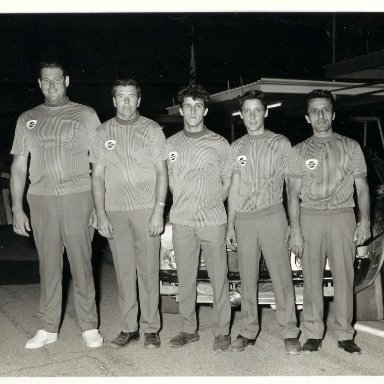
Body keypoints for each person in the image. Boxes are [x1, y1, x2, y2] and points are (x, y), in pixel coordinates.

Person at [10, 60, 103, 349]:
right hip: (40, 199)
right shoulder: (28, 118)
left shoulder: (85, 114)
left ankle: (89, 326)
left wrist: (100, 208)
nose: (51, 85)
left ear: (67, 81)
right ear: (39, 83)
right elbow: (18, 166)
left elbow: (101, 161)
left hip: (78, 195)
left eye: (56, 79)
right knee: (49, 265)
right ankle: (48, 327)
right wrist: (16, 207)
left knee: (81, 262)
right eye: (45, 80)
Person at [90, 79, 168, 349]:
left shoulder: (152, 129)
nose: (126, 102)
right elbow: (97, 175)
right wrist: (100, 213)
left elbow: (162, 172)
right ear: (113, 101)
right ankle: (129, 327)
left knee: (148, 270)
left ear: (139, 100)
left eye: (131, 97)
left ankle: (150, 329)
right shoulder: (102, 132)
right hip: (115, 209)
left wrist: (159, 210)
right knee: (124, 272)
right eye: (120, 97)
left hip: (146, 208)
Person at [292, 89, 371, 354]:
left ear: (333, 114)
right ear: (307, 117)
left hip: (342, 216)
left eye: (325, 109)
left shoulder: (351, 146)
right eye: (314, 110)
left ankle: (344, 333)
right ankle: (313, 333)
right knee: (311, 278)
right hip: (310, 216)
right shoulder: (298, 151)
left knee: (344, 278)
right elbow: (292, 194)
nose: (320, 115)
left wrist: (364, 222)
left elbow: (362, 188)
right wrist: (295, 229)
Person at [226, 90, 303, 354]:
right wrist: (230, 226)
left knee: (282, 275)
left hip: (273, 215)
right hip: (244, 221)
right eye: (246, 111)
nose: (251, 116)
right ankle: (248, 330)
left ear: (266, 112)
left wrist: (294, 224)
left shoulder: (282, 143)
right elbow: (234, 189)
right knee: (247, 277)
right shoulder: (236, 147)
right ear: (241, 114)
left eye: (256, 110)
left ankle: (290, 331)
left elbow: (293, 185)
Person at [167, 84, 232, 351]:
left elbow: (228, 179)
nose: (192, 111)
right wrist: (184, 199)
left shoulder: (219, 143)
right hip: (182, 220)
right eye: (187, 106)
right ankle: (188, 329)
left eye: (197, 106)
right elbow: (169, 179)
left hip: (213, 220)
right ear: (181, 110)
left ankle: (222, 331)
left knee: (219, 277)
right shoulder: (170, 144)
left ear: (204, 110)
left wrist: (212, 200)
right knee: (185, 277)